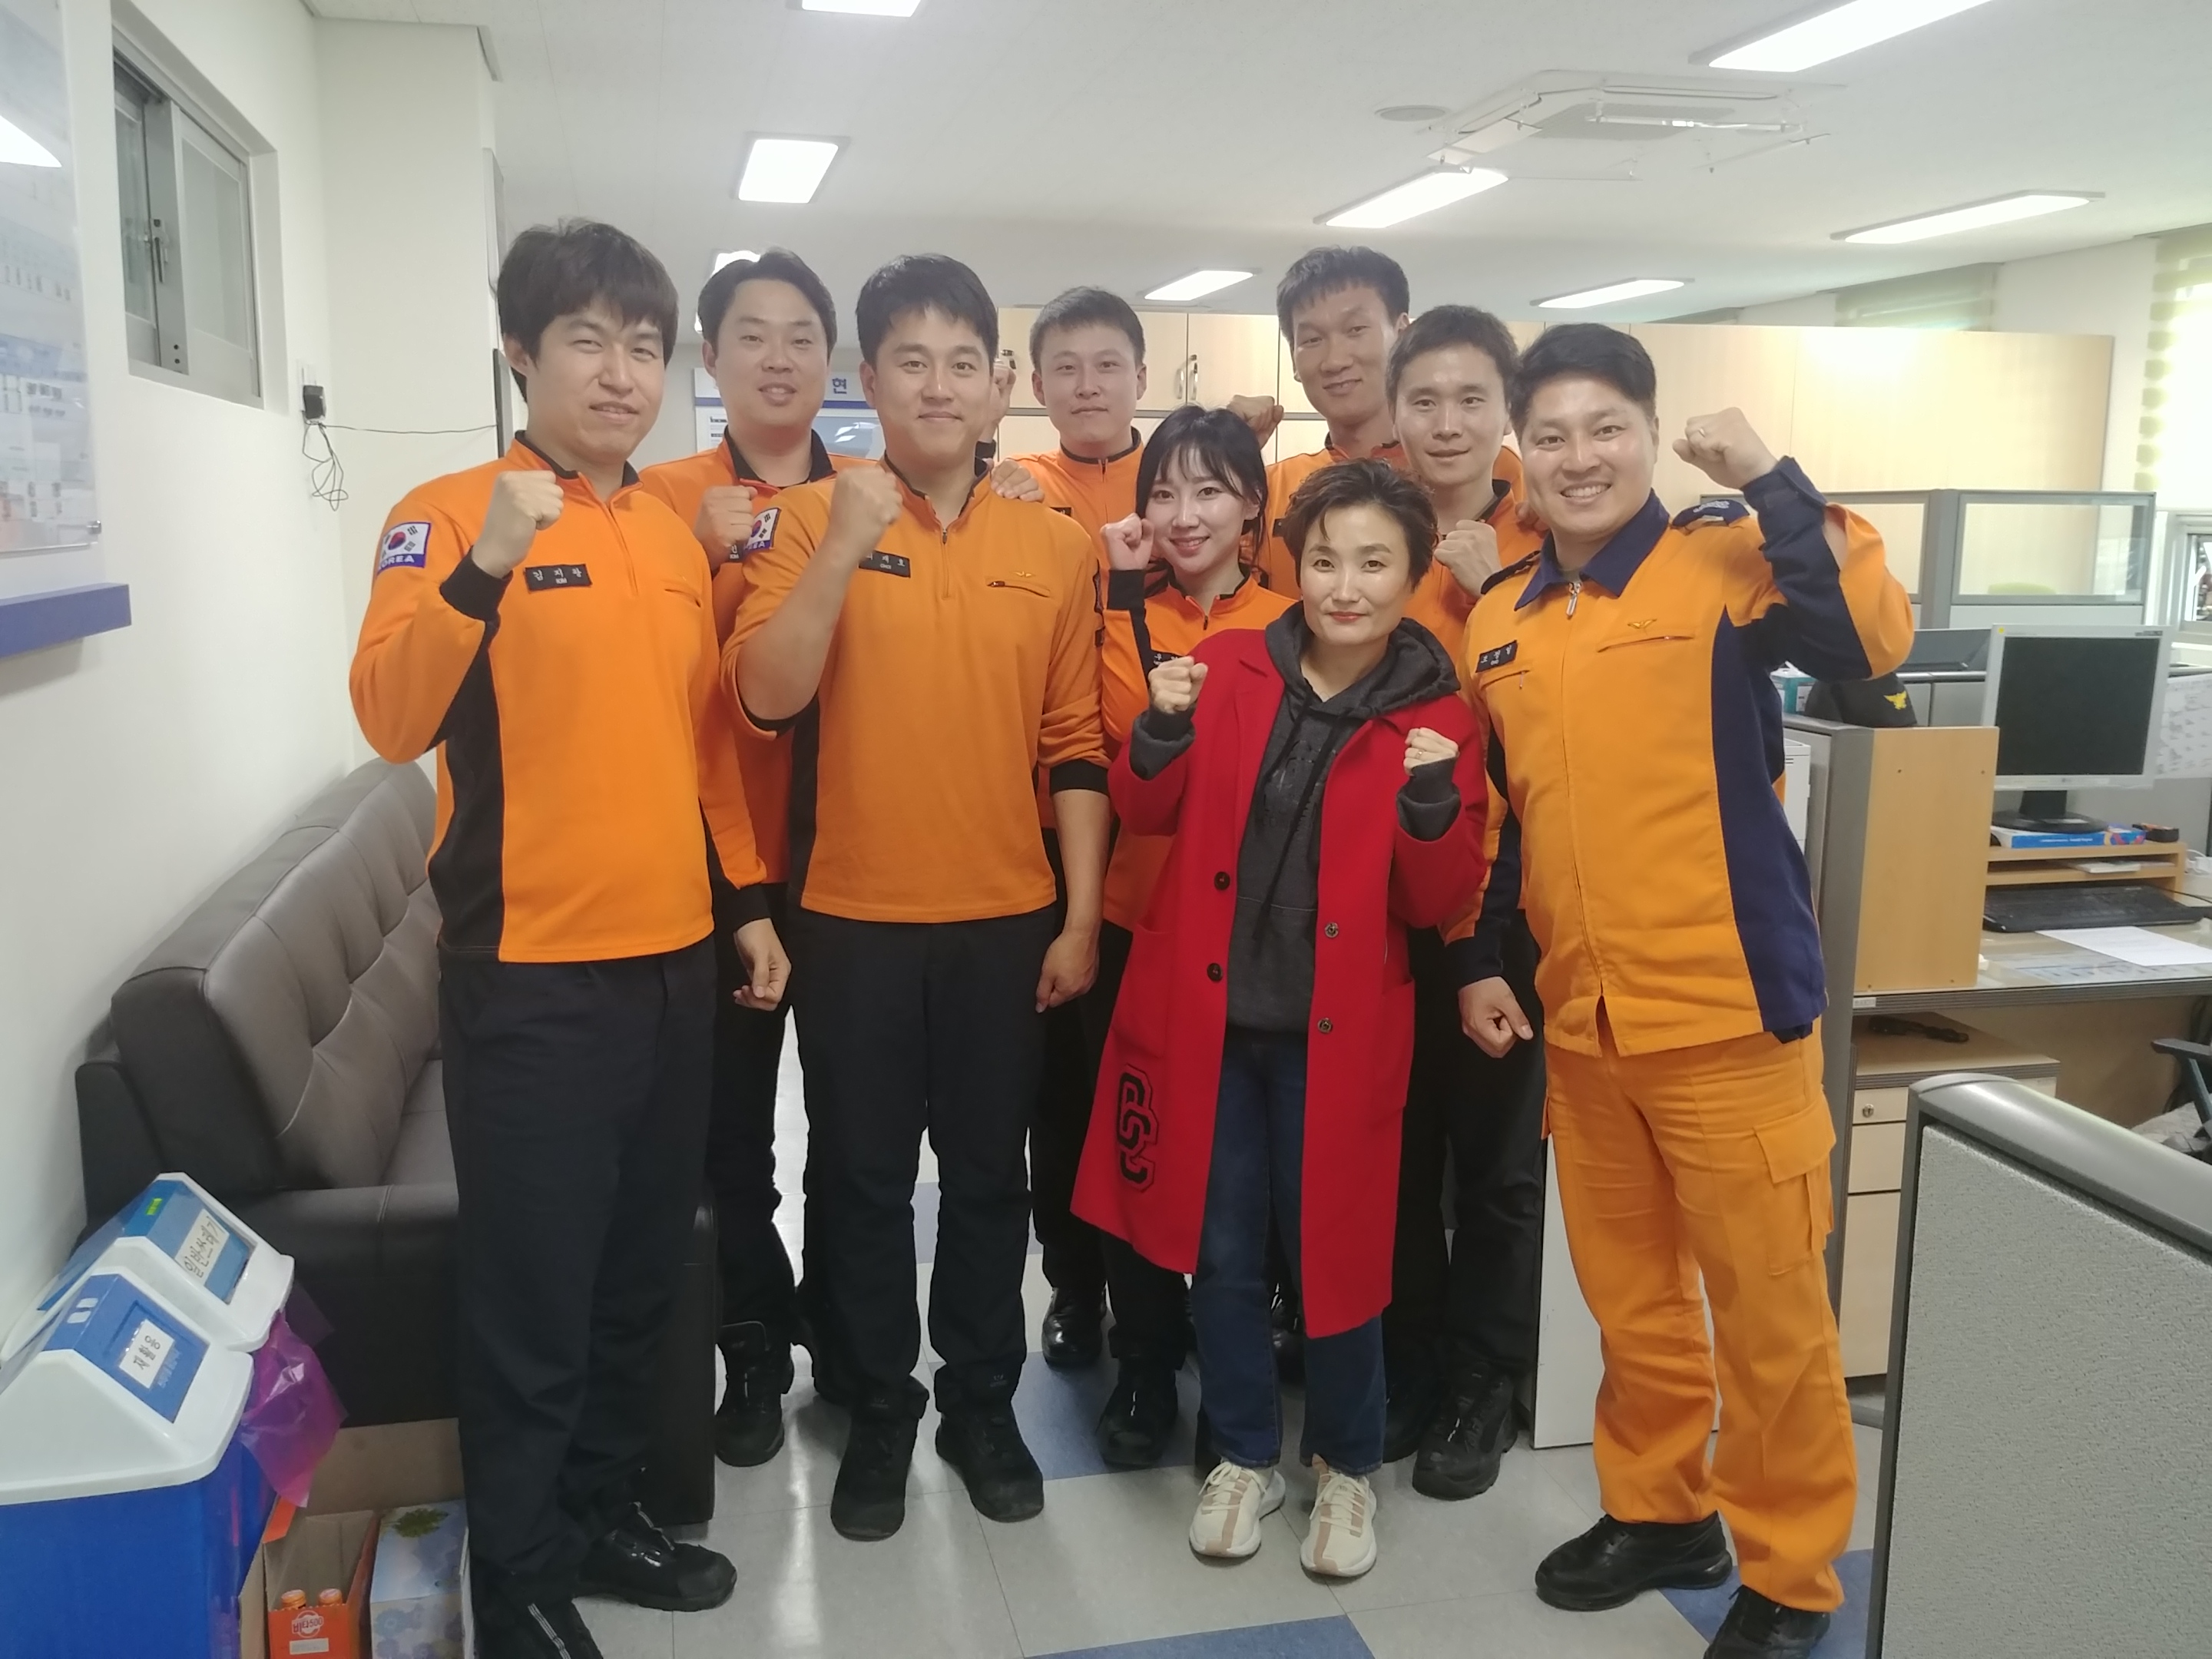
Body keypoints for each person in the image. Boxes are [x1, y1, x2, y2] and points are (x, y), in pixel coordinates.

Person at [351, 220, 790, 1659]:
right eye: (587, 341)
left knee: (636, 1279)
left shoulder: (665, 532)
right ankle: (521, 1577)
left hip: (675, 969)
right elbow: (392, 718)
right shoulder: (443, 513)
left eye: (643, 347)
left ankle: (600, 1519)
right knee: (533, 1299)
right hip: (530, 979)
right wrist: (486, 565)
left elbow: (703, 746)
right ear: (519, 353)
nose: (620, 373)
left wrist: (745, 905)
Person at [1459, 323, 1911, 1659]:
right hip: (1586, 1019)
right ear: (1522, 453)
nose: (1579, 457)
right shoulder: (1500, 620)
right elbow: (1507, 818)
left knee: (1772, 1322)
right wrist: (1482, 956)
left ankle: (1793, 1576)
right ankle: (1662, 1512)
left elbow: (1866, 644)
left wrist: (1772, 477)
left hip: (1725, 1012)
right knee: (1634, 1302)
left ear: (1651, 434)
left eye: (1606, 427)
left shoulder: (1726, 559)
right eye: (1551, 435)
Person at [728, 254, 1109, 1544]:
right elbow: (765, 697)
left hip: (1007, 917)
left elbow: (1074, 743)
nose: (938, 387)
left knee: (993, 1181)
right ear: (869, 381)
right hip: (852, 919)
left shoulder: (1053, 544)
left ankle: (982, 1405)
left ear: (997, 386)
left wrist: (1079, 915)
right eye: (911, 361)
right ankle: (880, 1405)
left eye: (961, 363)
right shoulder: (804, 522)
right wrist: (845, 540)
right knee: (864, 1179)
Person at [1075, 459, 1488, 1581]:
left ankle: (1347, 1465)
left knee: (1334, 1254)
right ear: (1292, 564)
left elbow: (1437, 898)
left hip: (1337, 1036)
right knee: (1218, 1250)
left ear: (1413, 576)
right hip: (1211, 1023)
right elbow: (1144, 809)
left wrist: (1431, 805)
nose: (1345, 586)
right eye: (1324, 560)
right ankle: (1244, 1453)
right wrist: (1158, 732)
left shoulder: (1438, 716)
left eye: (1374, 563)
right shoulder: (1226, 668)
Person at [637, 247, 852, 1469]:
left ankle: (848, 1335)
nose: (780, 359)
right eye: (753, 336)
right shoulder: (656, 501)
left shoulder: (872, 495)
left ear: (832, 359)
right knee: (731, 1142)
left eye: (802, 336)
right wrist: (689, 546)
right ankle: (756, 1348)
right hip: (719, 868)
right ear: (709, 357)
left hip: (860, 863)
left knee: (861, 1135)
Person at [1083, 404, 1293, 1467]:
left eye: (1208, 490)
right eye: (1162, 492)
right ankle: (1144, 1363)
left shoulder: (1296, 621)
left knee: (1237, 1175)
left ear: (1253, 505)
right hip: (1141, 924)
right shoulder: (1124, 613)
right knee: (1140, 1153)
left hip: (1251, 942)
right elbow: (1118, 738)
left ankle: (1232, 1383)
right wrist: (1125, 597)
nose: (1183, 513)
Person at [1374, 306, 1551, 1500]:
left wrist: (1497, 598)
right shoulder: (1369, 532)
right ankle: (1406, 1362)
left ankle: (1483, 1379)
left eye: (1472, 400)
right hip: (1384, 904)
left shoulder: (1556, 540)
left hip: (1502, 909)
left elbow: (1555, 734)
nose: (1447, 424)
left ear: (1508, 413)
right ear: (1394, 413)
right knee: (1393, 1152)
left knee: (1494, 1163)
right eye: (1425, 401)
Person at [995, 286, 1151, 1371]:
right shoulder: (1014, 488)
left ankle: (1176, 1289)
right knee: (1064, 1086)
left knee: (1165, 1080)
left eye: (1107, 365)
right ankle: (1075, 1283)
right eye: (1067, 368)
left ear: (1141, 376)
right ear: (1037, 386)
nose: (1088, 386)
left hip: (1172, 832)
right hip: (1049, 827)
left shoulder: (1186, 479)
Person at [1225, 246, 1412, 593]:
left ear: (1402, 335)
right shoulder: (1268, 493)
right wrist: (1224, 456)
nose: (1334, 360)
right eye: (1312, 340)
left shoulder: (1477, 479)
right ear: (1293, 360)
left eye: (1355, 329)